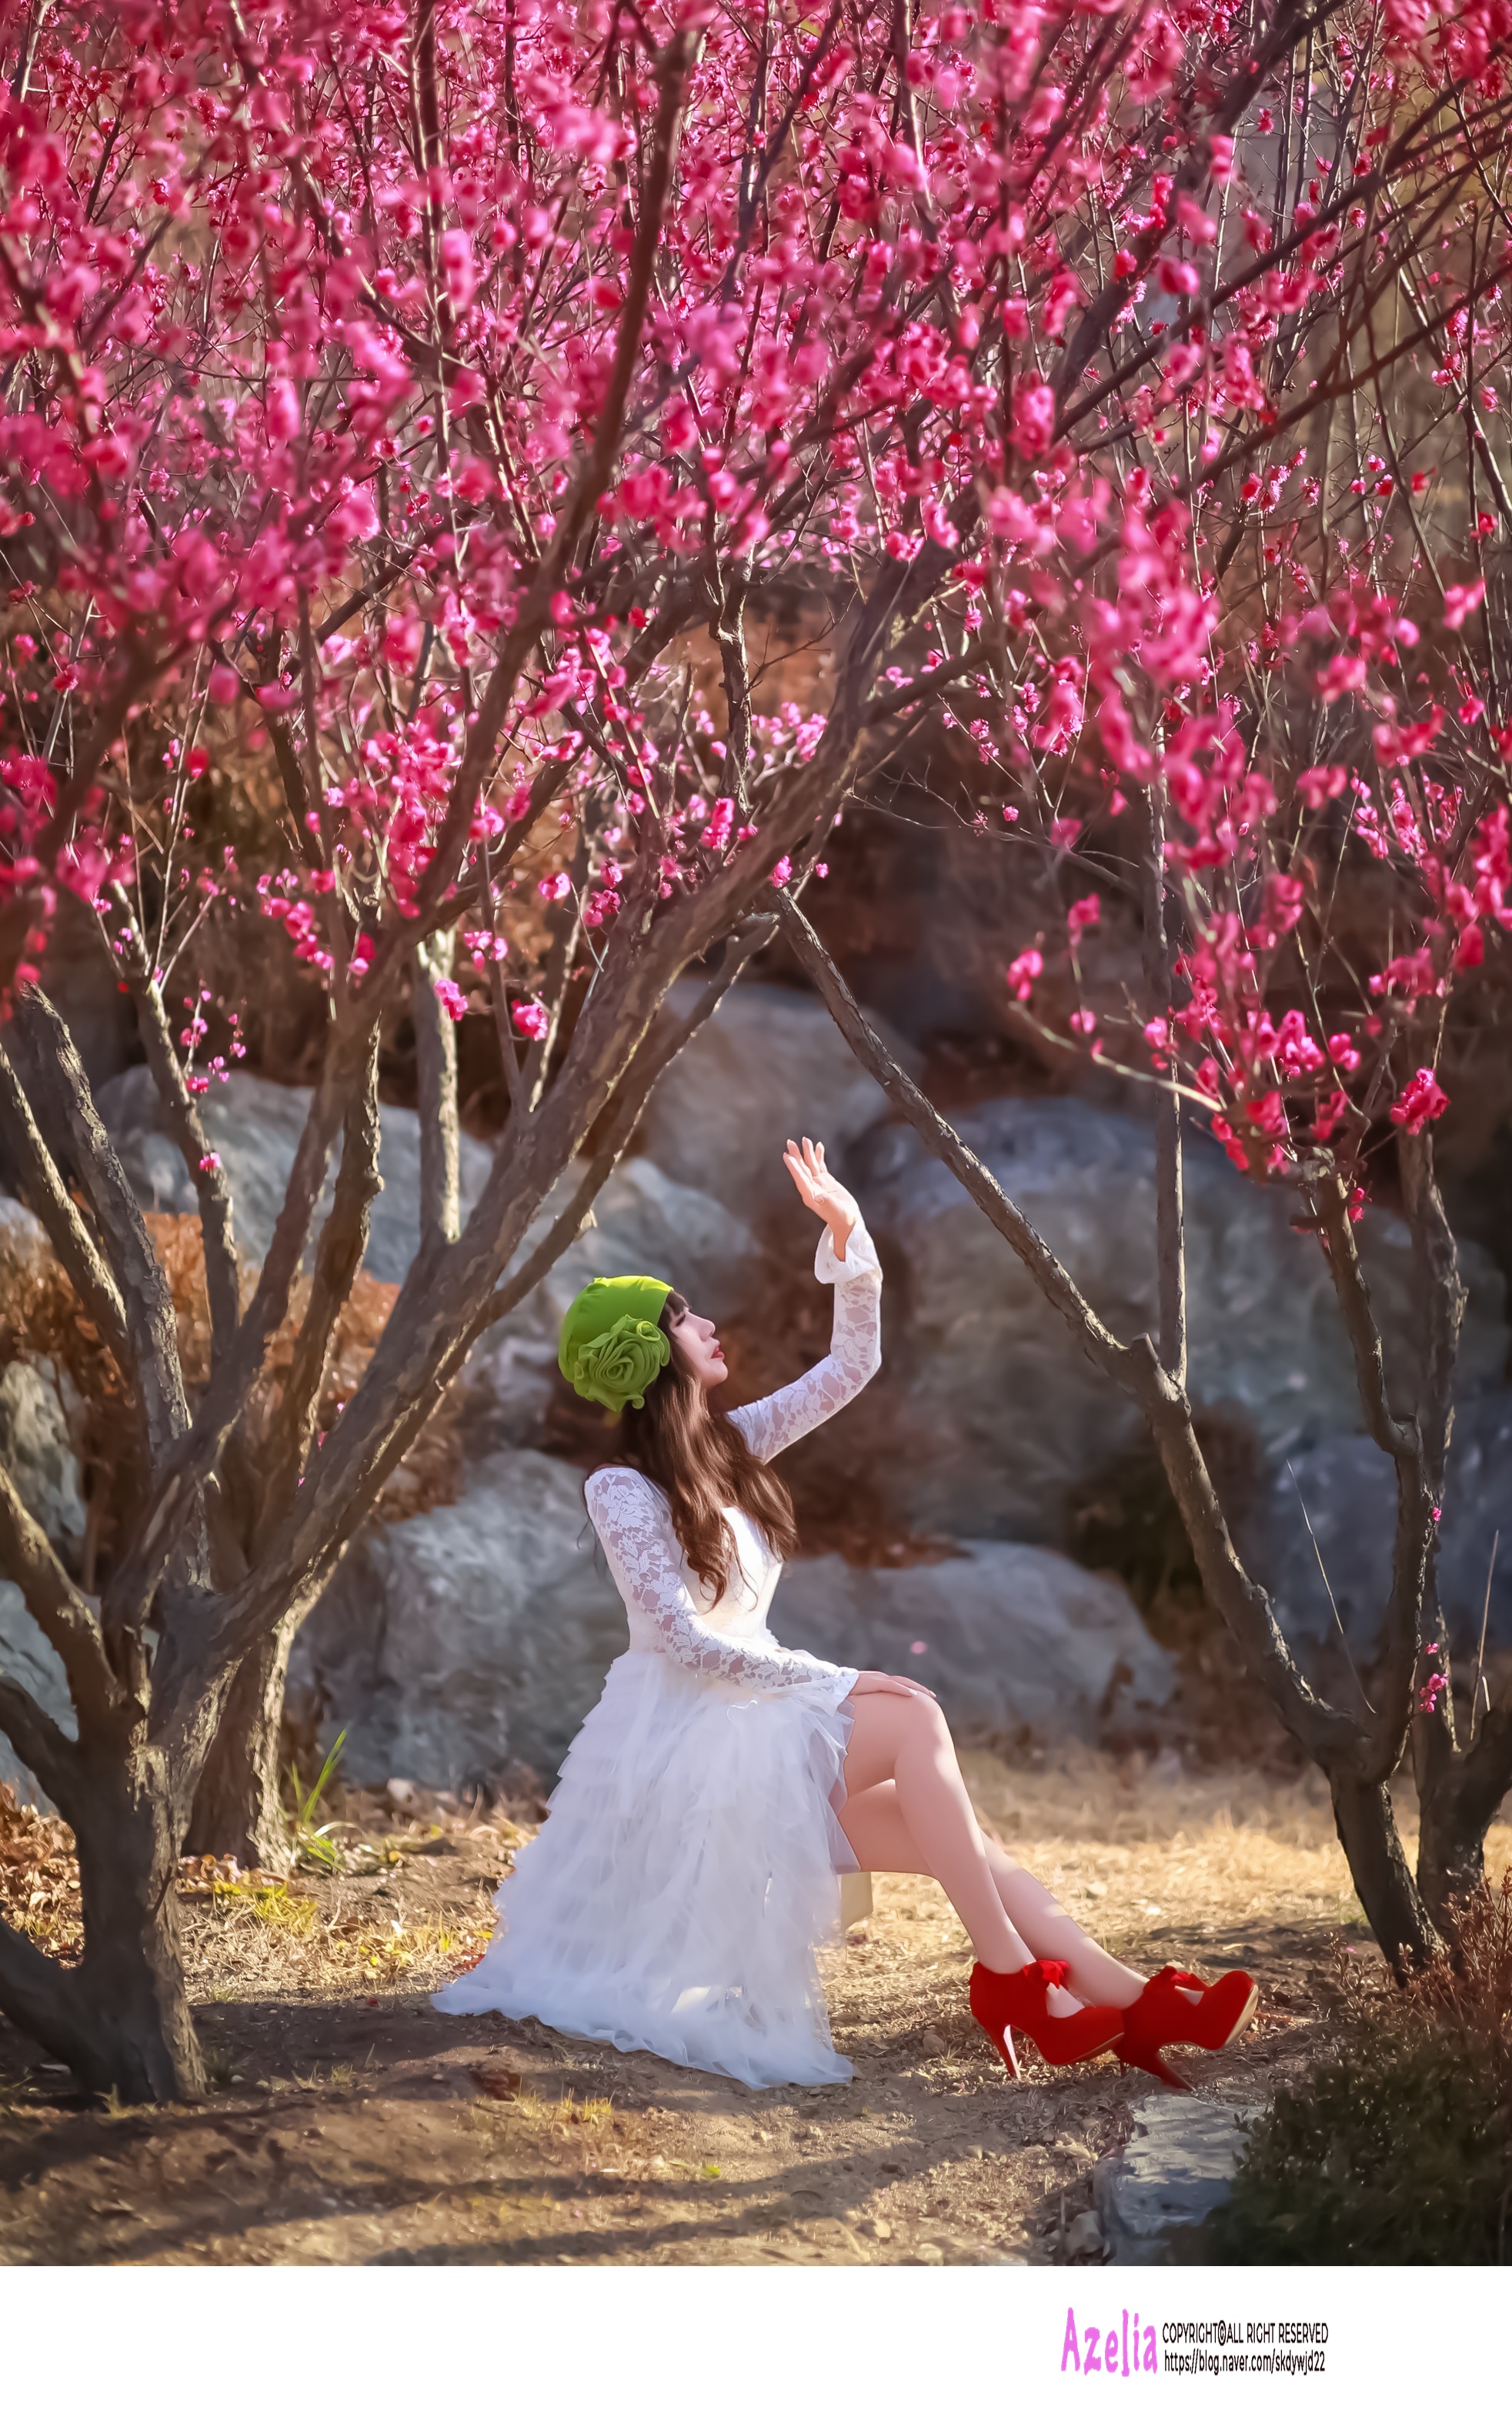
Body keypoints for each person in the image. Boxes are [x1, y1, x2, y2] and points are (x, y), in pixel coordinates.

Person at [435, 1137, 1257, 2091]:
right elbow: (684, 1639)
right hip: (695, 1752)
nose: (708, 1323)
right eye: (682, 1316)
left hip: (756, 1734)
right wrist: (826, 1682)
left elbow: (850, 1364)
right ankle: (1011, 1981)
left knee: (963, 1839)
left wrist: (847, 1232)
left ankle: (1134, 2004)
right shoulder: (620, 1488)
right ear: (649, 1352)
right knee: (913, 1716)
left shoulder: (734, 1445)